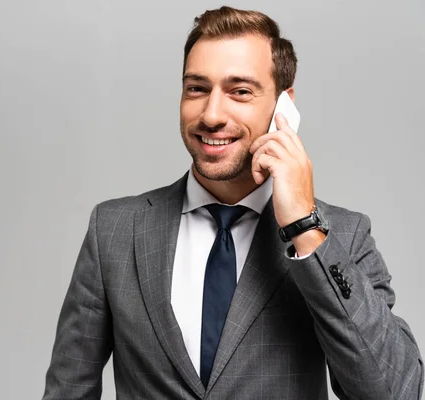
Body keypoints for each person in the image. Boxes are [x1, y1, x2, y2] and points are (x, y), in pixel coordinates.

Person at [42, 6, 423, 399]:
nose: (211, 114)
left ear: (283, 108)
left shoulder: (342, 236)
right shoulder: (114, 230)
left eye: (240, 91)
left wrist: (305, 230)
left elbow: (394, 392)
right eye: (197, 88)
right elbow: (68, 390)